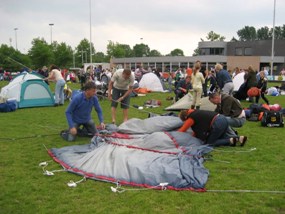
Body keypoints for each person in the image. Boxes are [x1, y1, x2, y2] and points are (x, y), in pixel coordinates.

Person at [178, 109, 247, 147]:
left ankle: (230, 141)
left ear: (185, 117)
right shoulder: (196, 112)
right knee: (221, 137)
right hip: (223, 119)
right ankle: (239, 138)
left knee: (210, 143)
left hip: (217, 123)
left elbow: (182, 130)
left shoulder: (191, 118)